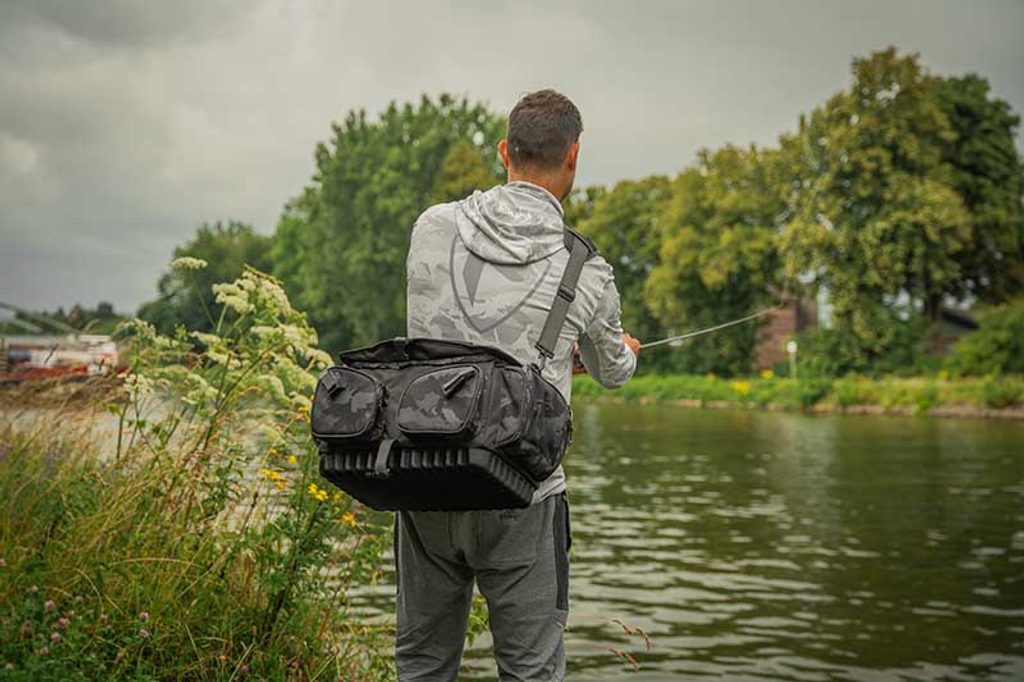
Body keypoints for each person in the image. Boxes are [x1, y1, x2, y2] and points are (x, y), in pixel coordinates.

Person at [399, 88, 640, 681]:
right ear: (573, 157)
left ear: (505, 151)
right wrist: (620, 351)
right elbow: (612, 372)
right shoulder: (587, 269)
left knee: (422, 666)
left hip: (427, 477)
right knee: (531, 672)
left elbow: (447, 330)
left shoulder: (432, 227)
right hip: (524, 495)